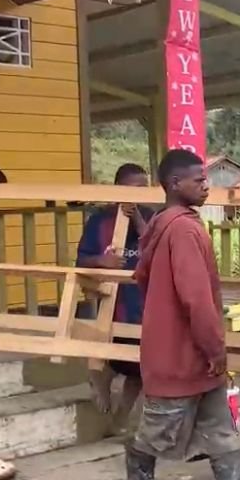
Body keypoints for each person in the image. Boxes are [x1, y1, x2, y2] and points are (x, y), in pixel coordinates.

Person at [127, 150, 240, 480]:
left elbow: (145, 279)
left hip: (189, 352)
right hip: (182, 353)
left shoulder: (163, 224)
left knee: (220, 427)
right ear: (174, 184)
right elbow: (196, 299)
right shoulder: (183, 229)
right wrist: (215, 349)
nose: (207, 186)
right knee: (159, 428)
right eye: (199, 180)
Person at [75, 163, 151, 429]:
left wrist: (138, 218)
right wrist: (102, 260)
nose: (138, 194)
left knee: (144, 367)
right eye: (133, 188)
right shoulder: (100, 221)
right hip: (118, 303)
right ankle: (101, 378)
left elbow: (158, 246)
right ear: (118, 188)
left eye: (143, 189)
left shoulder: (152, 217)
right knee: (121, 358)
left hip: (148, 302)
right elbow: (81, 260)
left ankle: (122, 416)